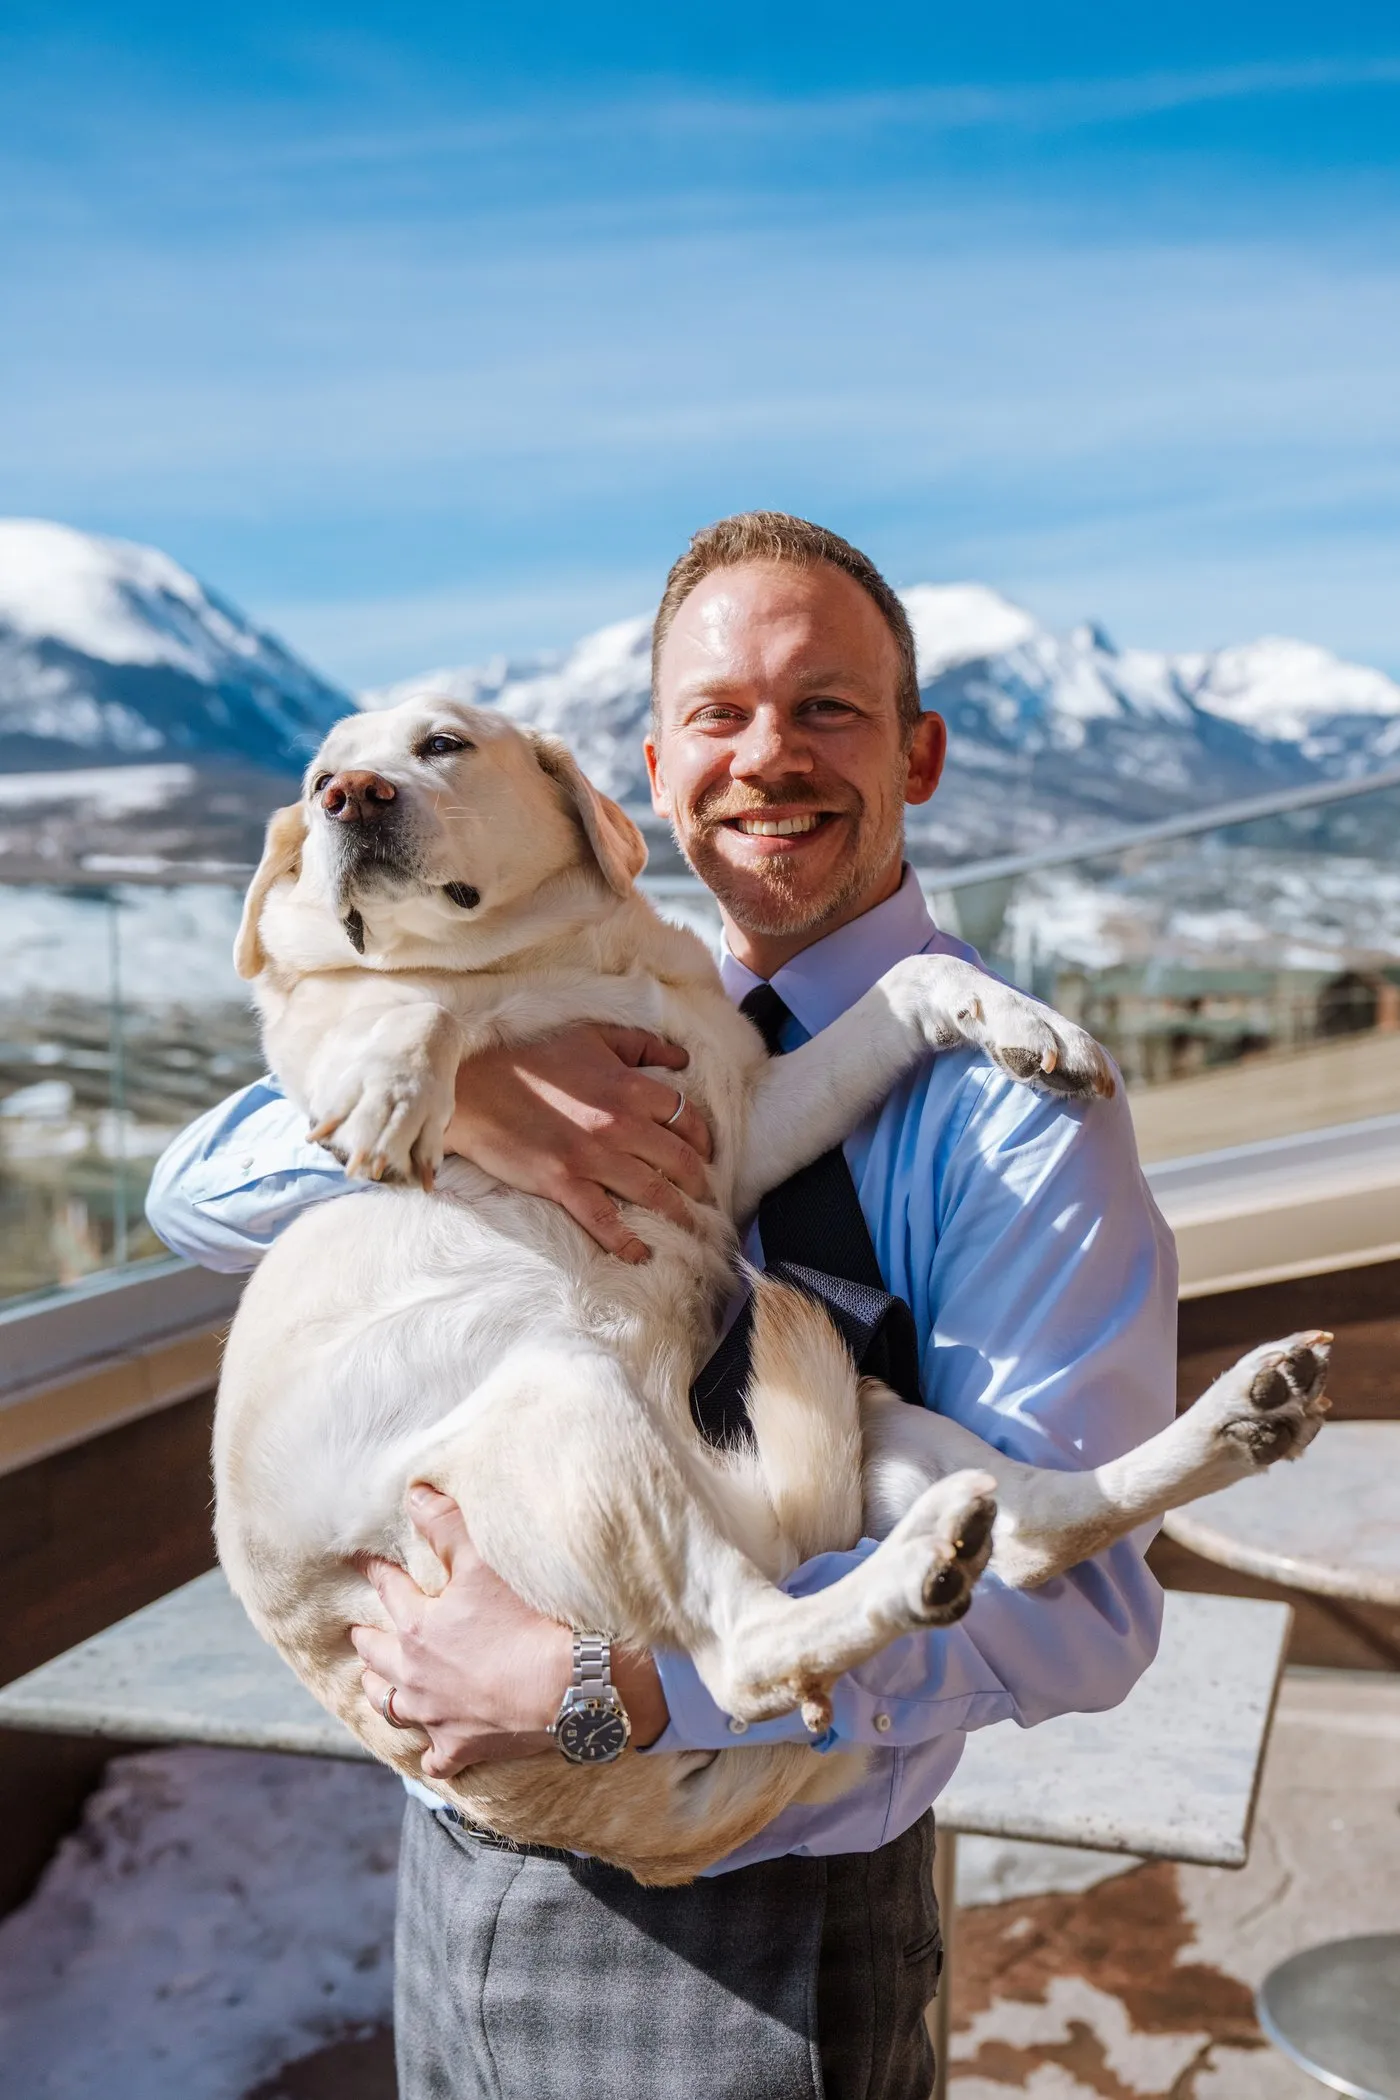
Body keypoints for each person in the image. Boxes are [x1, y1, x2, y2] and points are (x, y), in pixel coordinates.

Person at [147, 512, 1176, 2100]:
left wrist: (617, 1692)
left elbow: (1081, 1614)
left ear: (921, 752)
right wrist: (474, 1097)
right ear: (645, 771)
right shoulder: (597, 990)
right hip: (464, 1853)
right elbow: (194, 1196)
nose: (769, 755)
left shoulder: (1014, 1112)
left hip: (759, 1905)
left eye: (825, 707)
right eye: (719, 714)